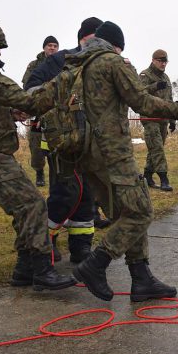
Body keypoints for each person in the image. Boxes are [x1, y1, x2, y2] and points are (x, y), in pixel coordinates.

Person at [34, 21, 178, 302]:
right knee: (140, 212)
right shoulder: (113, 63)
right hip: (112, 153)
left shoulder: (74, 66)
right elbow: (144, 103)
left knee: (124, 213)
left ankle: (141, 278)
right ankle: (96, 264)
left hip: (84, 155)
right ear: (116, 45)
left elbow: (41, 98)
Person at [0, 20, 76, 290]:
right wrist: (64, 79)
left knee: (24, 206)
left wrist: (8, 113)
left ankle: (24, 269)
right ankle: (43, 268)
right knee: (32, 205)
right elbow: (26, 99)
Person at [25, 18, 105, 263]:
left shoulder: (104, 63)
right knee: (64, 194)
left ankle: (81, 246)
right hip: (62, 144)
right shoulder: (60, 60)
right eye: (95, 40)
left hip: (91, 144)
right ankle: (44, 244)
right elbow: (30, 89)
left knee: (87, 196)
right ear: (83, 38)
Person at [21, 35, 59, 187]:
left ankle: (57, 171)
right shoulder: (34, 65)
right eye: (49, 45)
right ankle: (39, 172)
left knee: (55, 143)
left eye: (55, 45)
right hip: (37, 110)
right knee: (36, 145)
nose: (52, 48)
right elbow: (27, 85)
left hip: (56, 111)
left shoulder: (62, 63)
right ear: (44, 47)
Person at [139, 49, 176, 192]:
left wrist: (173, 120)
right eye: (160, 61)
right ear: (153, 60)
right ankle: (164, 178)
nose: (163, 64)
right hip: (150, 118)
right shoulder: (144, 75)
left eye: (165, 61)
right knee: (157, 148)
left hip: (163, 119)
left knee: (155, 148)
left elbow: (170, 99)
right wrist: (154, 86)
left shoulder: (166, 78)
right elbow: (139, 94)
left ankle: (147, 176)